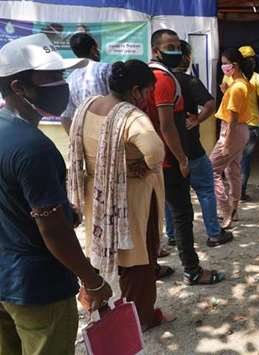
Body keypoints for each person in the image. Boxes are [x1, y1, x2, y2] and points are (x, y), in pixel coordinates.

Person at [0, 33, 112, 355]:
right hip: (38, 288)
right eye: (52, 78)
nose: (61, 85)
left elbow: (15, 200)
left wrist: (64, 209)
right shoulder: (35, 148)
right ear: (19, 87)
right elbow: (53, 231)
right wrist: (92, 281)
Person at [68, 60, 175, 330]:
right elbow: (155, 151)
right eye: (148, 91)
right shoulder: (131, 115)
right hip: (131, 198)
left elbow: (71, 130)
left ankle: (108, 307)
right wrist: (139, 166)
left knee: (110, 251)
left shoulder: (88, 105)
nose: (149, 97)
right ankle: (143, 317)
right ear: (136, 90)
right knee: (139, 260)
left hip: (98, 193)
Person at [145, 29, 225, 286]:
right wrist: (181, 159)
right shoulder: (166, 80)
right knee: (185, 210)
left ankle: (153, 264)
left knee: (157, 211)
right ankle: (192, 269)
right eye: (170, 46)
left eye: (178, 46)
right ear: (156, 50)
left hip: (151, 157)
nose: (176, 51)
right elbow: (167, 125)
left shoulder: (148, 76)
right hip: (171, 158)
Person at [164, 40, 233, 248]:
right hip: (191, 150)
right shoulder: (189, 81)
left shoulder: (160, 81)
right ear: (185, 58)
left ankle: (174, 235)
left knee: (172, 196)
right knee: (205, 190)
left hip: (168, 152)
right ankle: (214, 233)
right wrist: (197, 120)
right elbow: (210, 103)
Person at [210, 48, 252, 228]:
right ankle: (234, 209)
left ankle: (226, 211)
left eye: (225, 63)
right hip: (240, 131)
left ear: (234, 65)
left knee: (211, 170)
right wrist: (225, 90)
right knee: (232, 170)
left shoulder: (237, 87)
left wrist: (226, 142)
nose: (223, 66)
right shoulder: (240, 83)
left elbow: (233, 118)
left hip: (232, 131)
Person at [221, 45, 259, 201]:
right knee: (245, 159)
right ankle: (240, 192)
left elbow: (225, 97)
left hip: (232, 123)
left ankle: (232, 193)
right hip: (252, 123)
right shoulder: (257, 78)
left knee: (231, 159)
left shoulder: (229, 77)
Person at [60, 32, 112, 133]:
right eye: (97, 49)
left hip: (86, 135)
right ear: (93, 49)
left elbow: (65, 117)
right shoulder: (105, 69)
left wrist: (75, 141)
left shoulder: (70, 79)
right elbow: (119, 101)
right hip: (109, 132)